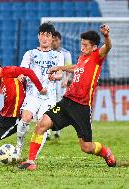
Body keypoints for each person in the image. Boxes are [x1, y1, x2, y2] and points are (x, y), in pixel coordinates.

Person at [20, 25, 116, 170]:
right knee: (41, 124)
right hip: (67, 102)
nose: (82, 47)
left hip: (82, 108)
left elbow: (107, 47)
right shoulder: (83, 57)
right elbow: (77, 67)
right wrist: (61, 68)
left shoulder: (97, 57)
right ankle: (31, 161)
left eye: (85, 45)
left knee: (87, 147)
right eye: (81, 44)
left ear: (94, 47)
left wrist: (107, 37)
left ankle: (106, 153)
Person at [15, 23, 64, 158]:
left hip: (49, 97)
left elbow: (60, 74)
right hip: (32, 94)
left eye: (48, 35)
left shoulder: (58, 55)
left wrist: (55, 76)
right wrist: (21, 76)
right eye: (42, 35)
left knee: (42, 126)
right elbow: (23, 71)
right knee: (25, 119)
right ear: (38, 36)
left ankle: (32, 157)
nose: (45, 38)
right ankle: (18, 150)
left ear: (52, 38)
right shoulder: (30, 54)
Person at [48, 31, 73, 139]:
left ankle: (57, 130)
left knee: (58, 106)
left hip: (61, 83)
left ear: (60, 40)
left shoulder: (65, 53)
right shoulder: (47, 53)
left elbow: (69, 68)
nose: (54, 42)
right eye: (52, 40)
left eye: (56, 40)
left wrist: (66, 80)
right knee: (48, 104)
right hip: (49, 83)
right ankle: (47, 132)